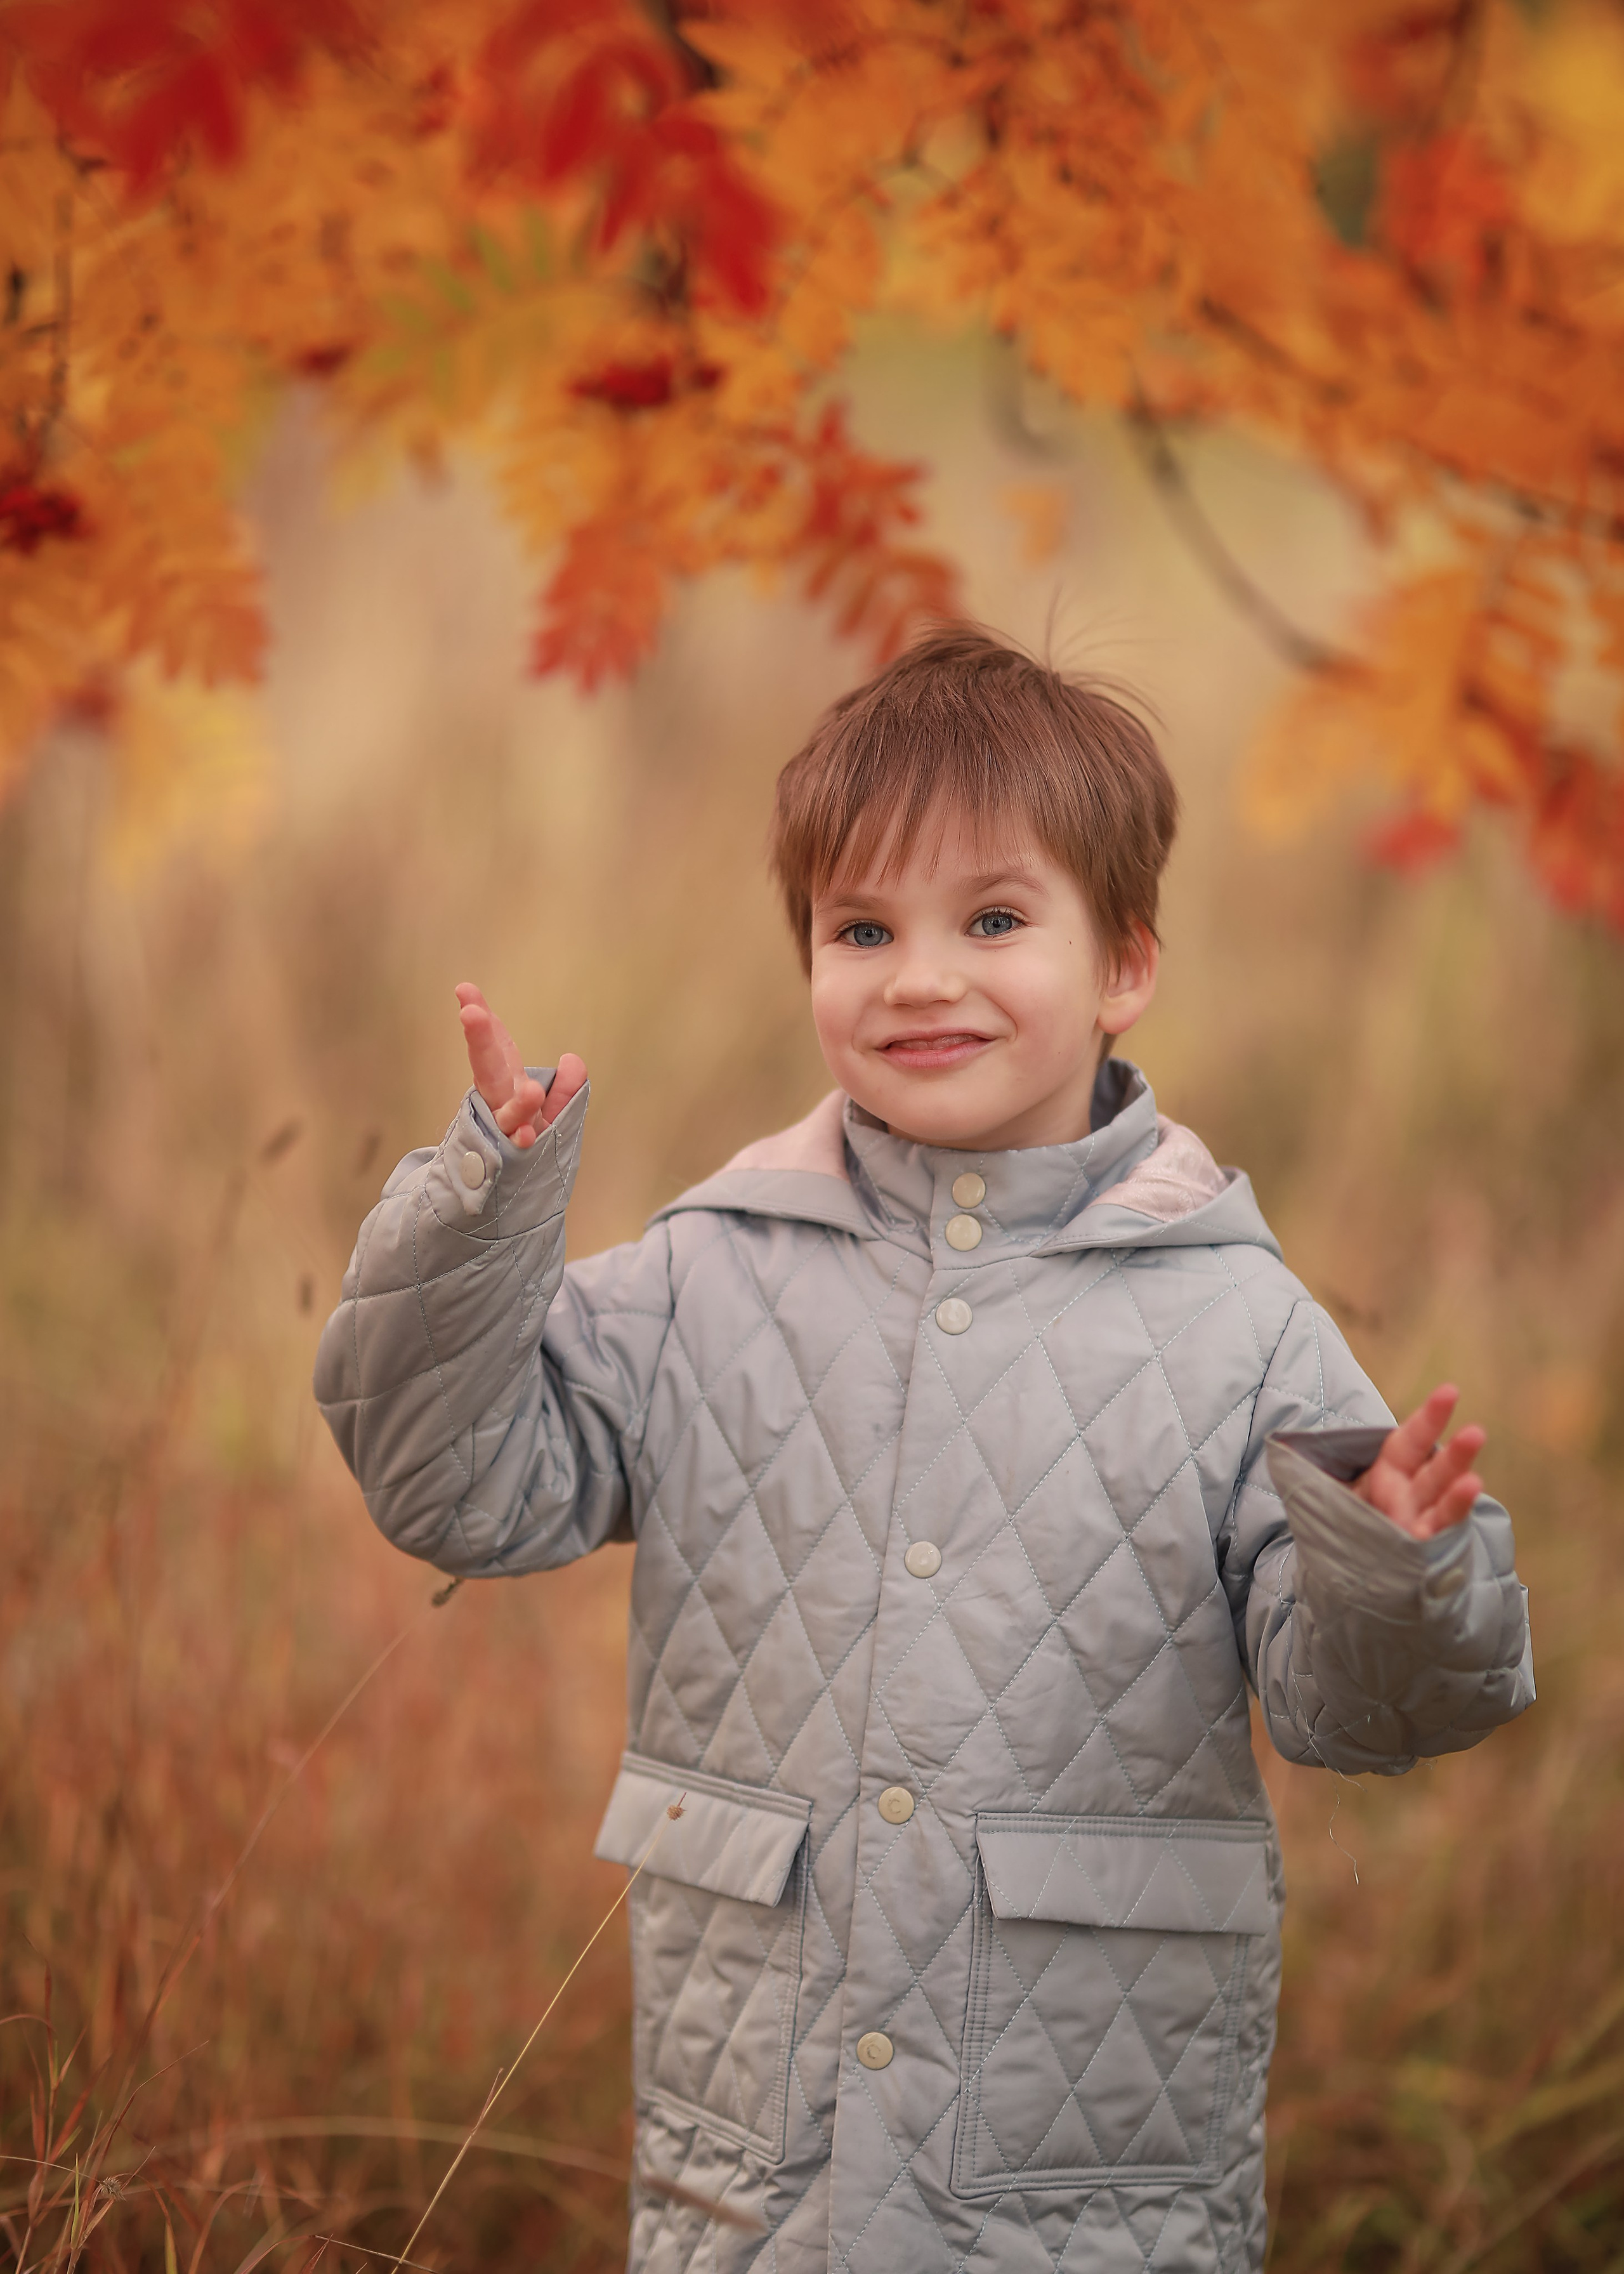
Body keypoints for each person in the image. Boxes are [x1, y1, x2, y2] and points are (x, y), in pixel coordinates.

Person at [315, 626, 1533, 2274]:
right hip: (762, 2158)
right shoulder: (713, 1271)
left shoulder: (1236, 1324)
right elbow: (458, 1486)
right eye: (862, 927)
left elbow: (1366, 1713)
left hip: (1082, 2171)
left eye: (997, 921)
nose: (921, 976)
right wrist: (479, 1221)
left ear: (1126, 966)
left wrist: (1396, 1566)